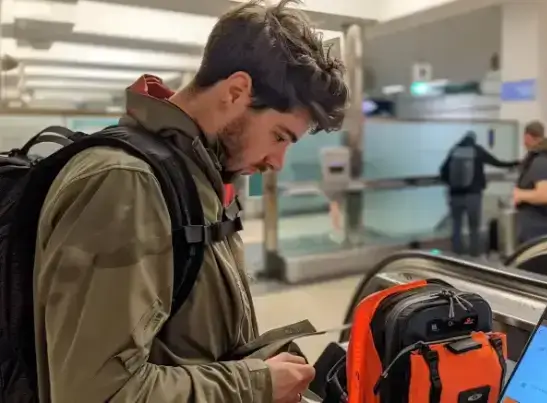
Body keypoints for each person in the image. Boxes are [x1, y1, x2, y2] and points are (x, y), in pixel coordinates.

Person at [32, 1, 348, 402]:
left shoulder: (194, 176)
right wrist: (256, 385)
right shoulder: (125, 184)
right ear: (236, 92)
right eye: (280, 136)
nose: (277, 161)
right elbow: (96, 394)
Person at [440, 131, 518, 257]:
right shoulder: (478, 151)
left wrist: (453, 185)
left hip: (455, 196)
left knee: (456, 226)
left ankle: (456, 255)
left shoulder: (454, 150)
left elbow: (443, 171)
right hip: (473, 196)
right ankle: (474, 255)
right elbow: (496, 162)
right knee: (474, 227)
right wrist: (513, 163)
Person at [513, 121, 547, 244]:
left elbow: (546, 195)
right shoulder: (545, 159)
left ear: (528, 137)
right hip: (538, 225)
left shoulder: (540, 162)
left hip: (538, 227)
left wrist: (520, 194)